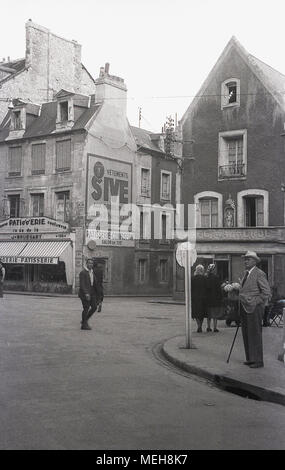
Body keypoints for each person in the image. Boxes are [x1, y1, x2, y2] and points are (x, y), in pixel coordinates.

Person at [239, 251, 271, 368]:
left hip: (255, 308)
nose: (245, 261)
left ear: (254, 261)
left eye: (248, 259)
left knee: (255, 334)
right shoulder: (246, 273)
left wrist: (255, 301)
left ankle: (258, 360)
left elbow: (266, 292)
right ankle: (250, 358)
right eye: (245, 259)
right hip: (245, 307)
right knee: (246, 333)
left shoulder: (259, 273)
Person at [78, 258, 98, 330]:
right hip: (84, 293)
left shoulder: (92, 272)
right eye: (89, 263)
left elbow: (94, 283)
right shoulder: (83, 272)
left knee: (94, 307)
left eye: (92, 263)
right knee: (86, 308)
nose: (91, 264)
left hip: (92, 292)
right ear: (86, 264)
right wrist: (86, 293)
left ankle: (84, 320)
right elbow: (82, 284)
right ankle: (84, 325)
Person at [205, 264, 223, 332]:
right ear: (214, 269)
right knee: (215, 313)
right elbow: (219, 289)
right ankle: (215, 327)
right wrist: (221, 297)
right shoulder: (216, 278)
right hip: (215, 298)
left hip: (208, 298)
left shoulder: (206, 277)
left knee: (209, 313)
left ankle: (208, 327)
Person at [191, 264, 207, 332]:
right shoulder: (204, 278)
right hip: (203, 297)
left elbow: (191, 288)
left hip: (195, 297)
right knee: (202, 313)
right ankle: (200, 325)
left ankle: (199, 326)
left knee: (196, 312)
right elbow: (206, 288)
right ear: (202, 270)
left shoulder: (192, 278)